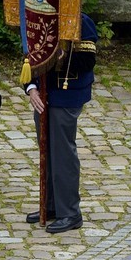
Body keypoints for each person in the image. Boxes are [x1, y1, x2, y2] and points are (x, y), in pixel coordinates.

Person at [26, 13, 98, 233]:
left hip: (66, 95)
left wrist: (57, 56)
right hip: (42, 94)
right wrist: (31, 87)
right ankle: (50, 205)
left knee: (62, 154)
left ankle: (70, 212)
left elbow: (87, 61)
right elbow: (29, 56)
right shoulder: (37, 18)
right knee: (46, 150)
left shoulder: (79, 20)